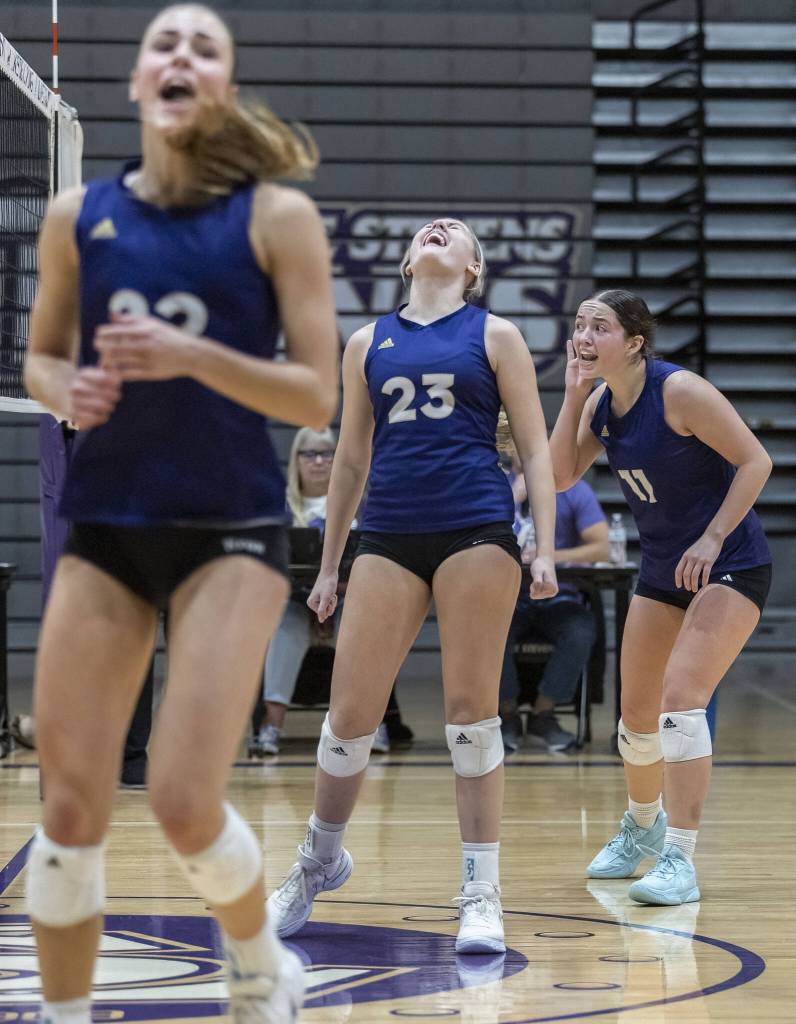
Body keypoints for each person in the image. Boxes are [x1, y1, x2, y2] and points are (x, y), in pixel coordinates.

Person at [23, 4, 338, 1022]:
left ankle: (255, 960)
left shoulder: (274, 218)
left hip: (230, 532)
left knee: (180, 800)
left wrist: (193, 355)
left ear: (224, 86)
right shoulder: (78, 217)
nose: (182, 56)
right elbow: (41, 356)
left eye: (205, 47)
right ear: (137, 81)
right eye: (166, 41)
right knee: (67, 810)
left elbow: (317, 393)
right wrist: (64, 389)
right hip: (108, 523)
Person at [267, 216, 558, 954]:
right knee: (347, 719)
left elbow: (534, 449)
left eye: (455, 231)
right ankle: (317, 862)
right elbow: (351, 462)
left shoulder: (495, 335)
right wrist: (330, 565)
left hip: (475, 528)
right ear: (406, 263)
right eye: (428, 230)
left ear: (473, 269)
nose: (438, 229)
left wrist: (546, 547)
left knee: (470, 716)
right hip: (388, 532)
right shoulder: (366, 342)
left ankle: (481, 892)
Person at [550, 289, 772, 905]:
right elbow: (559, 477)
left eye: (599, 327)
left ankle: (680, 856)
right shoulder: (598, 401)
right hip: (662, 570)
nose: (584, 336)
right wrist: (571, 399)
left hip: (729, 561)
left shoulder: (679, 392)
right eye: (579, 326)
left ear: (634, 342)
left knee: (681, 700)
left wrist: (712, 536)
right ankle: (640, 830)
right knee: (636, 717)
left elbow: (757, 462)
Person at [253, 426, 412, 756]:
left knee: (360, 618)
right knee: (288, 620)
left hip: (349, 600)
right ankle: (271, 726)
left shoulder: (361, 507)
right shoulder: (278, 507)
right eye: (309, 453)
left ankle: (371, 725)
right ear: (295, 460)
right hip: (295, 602)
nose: (319, 461)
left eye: (326, 453)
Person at [499, 475, 608, 753]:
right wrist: (512, 498)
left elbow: (602, 547)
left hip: (558, 597)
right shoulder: (496, 484)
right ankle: (506, 714)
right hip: (510, 597)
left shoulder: (574, 489)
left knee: (581, 628)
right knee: (487, 628)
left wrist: (547, 556)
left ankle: (543, 713)